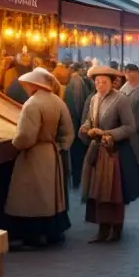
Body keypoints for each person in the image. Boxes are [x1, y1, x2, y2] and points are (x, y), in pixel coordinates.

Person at [4, 68, 74, 247]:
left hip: (34, 155)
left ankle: (33, 236)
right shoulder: (58, 102)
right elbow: (68, 133)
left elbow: (26, 136)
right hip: (52, 154)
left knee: (31, 197)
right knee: (51, 197)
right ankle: (52, 232)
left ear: (33, 85)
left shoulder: (32, 104)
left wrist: (16, 146)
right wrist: (59, 147)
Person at [79, 65, 139, 243]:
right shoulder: (93, 99)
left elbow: (130, 127)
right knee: (98, 192)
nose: (100, 85)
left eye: (104, 82)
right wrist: (86, 128)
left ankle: (116, 228)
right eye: (97, 82)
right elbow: (89, 120)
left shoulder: (121, 100)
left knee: (113, 193)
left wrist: (108, 134)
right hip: (97, 152)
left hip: (113, 153)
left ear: (112, 82)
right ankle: (102, 228)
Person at [63, 61, 91, 189]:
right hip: (76, 125)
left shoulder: (73, 82)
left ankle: (77, 180)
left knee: (76, 156)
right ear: (80, 69)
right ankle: (78, 180)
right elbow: (79, 105)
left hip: (73, 125)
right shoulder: (78, 82)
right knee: (78, 155)